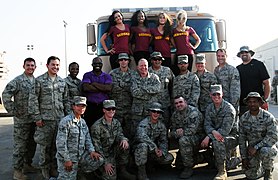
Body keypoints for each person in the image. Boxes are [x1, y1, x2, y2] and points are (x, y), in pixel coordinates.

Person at [34, 56, 71, 179]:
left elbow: (66, 100)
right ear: (47, 65)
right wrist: (37, 117)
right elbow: (33, 100)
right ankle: (44, 169)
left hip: (59, 119)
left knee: (57, 145)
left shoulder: (62, 82)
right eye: (53, 65)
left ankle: (54, 168)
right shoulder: (39, 81)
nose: (55, 67)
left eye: (57, 65)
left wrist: (68, 117)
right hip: (45, 120)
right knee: (45, 146)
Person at [2, 57, 38, 180]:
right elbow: (6, 95)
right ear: (24, 66)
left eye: (32, 65)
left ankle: (27, 165)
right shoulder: (18, 81)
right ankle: (17, 171)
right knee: (20, 146)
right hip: (22, 120)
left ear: (35, 67)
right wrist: (13, 110)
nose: (30, 67)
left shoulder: (36, 82)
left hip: (33, 119)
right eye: (28, 65)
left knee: (32, 144)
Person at [56, 96, 104, 180]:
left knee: (99, 159)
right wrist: (67, 160)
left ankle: (79, 172)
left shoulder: (82, 122)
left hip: (80, 156)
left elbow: (88, 139)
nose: (81, 108)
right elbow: (61, 143)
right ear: (73, 106)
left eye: (83, 106)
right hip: (68, 157)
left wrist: (92, 151)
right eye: (78, 105)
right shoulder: (66, 122)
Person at [90, 100, 136, 180]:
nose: (111, 111)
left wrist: (123, 139)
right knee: (111, 177)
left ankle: (122, 169)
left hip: (113, 150)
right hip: (102, 154)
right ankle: (98, 172)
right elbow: (97, 147)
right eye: (108, 109)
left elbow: (120, 134)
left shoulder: (116, 122)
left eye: (113, 109)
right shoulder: (96, 126)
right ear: (104, 110)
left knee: (125, 145)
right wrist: (105, 163)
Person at [201, 84, 239, 180]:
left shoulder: (229, 109)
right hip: (215, 134)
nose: (216, 97)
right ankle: (217, 161)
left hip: (232, 137)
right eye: (214, 94)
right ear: (210, 95)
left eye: (218, 94)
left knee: (218, 142)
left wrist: (209, 136)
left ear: (223, 94)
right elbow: (207, 125)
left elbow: (225, 131)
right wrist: (212, 133)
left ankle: (222, 171)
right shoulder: (210, 107)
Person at [238, 92, 278, 180]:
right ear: (247, 103)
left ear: (260, 103)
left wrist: (256, 147)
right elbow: (241, 139)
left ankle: (268, 172)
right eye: (250, 102)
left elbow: (274, 136)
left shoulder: (268, 117)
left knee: (266, 151)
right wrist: (244, 157)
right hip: (251, 150)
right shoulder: (244, 118)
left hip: (266, 147)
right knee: (250, 176)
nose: (252, 104)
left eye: (255, 101)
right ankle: (260, 170)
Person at [134, 102, 174, 180]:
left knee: (169, 158)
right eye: (153, 111)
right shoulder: (143, 123)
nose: (156, 113)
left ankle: (150, 164)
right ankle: (141, 172)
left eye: (158, 112)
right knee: (143, 146)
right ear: (149, 112)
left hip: (152, 151)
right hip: (139, 150)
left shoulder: (161, 126)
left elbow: (163, 141)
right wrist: (154, 147)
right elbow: (141, 137)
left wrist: (162, 151)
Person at [169, 96, 204, 179]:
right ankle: (203, 156)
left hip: (199, 137)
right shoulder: (175, 115)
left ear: (185, 102)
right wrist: (175, 133)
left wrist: (179, 132)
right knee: (178, 166)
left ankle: (188, 167)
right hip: (187, 137)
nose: (178, 105)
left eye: (180, 102)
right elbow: (172, 130)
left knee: (183, 140)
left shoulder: (193, 112)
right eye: (176, 103)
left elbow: (191, 131)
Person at [130, 58, 161, 140]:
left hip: (150, 111)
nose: (143, 67)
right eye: (141, 66)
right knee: (136, 132)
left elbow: (157, 89)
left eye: (145, 65)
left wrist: (142, 89)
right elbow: (134, 92)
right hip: (138, 112)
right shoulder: (134, 78)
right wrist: (149, 93)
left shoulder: (154, 77)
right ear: (137, 67)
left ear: (148, 66)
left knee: (151, 132)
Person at [236, 46, 271, 116]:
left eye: (246, 52)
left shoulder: (259, 65)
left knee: (261, 125)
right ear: (240, 55)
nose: (244, 54)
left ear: (250, 53)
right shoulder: (237, 69)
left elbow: (266, 83)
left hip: (258, 104)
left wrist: (264, 100)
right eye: (242, 53)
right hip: (244, 105)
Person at [81, 56, 112, 129]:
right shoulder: (87, 75)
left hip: (102, 106)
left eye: (99, 63)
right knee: (89, 126)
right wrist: (102, 88)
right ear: (92, 65)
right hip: (90, 106)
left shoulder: (107, 76)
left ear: (102, 64)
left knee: (103, 127)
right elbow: (86, 88)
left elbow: (108, 88)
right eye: (95, 63)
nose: (97, 65)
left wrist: (94, 84)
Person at [109, 53, 136, 136]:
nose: (123, 61)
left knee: (130, 131)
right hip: (116, 108)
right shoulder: (112, 74)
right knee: (115, 131)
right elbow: (111, 89)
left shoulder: (134, 74)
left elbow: (135, 90)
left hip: (129, 107)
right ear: (118, 62)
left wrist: (121, 86)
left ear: (128, 61)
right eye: (121, 60)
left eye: (125, 60)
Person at [149, 51, 175, 127]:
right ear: (151, 60)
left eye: (159, 59)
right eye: (155, 59)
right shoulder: (148, 71)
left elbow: (173, 85)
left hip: (165, 102)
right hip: (152, 103)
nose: (157, 61)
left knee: (166, 122)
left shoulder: (167, 70)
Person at [172, 10, 201, 75]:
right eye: (180, 18)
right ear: (177, 19)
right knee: (177, 73)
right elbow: (171, 40)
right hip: (178, 54)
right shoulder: (174, 30)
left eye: (184, 18)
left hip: (189, 54)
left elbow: (198, 40)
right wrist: (175, 46)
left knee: (188, 73)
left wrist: (194, 47)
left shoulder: (189, 29)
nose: (182, 20)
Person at [214, 48, 240, 114]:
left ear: (226, 56)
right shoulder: (216, 70)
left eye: (222, 56)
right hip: (219, 103)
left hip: (229, 103)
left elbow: (235, 91)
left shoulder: (232, 70)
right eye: (218, 56)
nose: (220, 58)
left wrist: (232, 106)